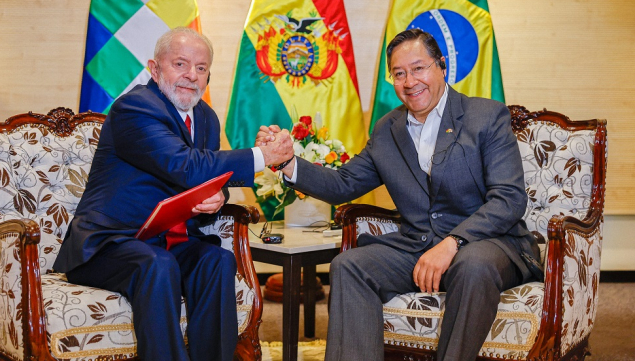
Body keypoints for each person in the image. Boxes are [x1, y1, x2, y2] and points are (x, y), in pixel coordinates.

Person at [257, 28, 540, 361]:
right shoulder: (387, 129)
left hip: (489, 245)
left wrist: (453, 243)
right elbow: (344, 184)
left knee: (472, 265)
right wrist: (288, 162)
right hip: (419, 245)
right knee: (349, 266)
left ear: (441, 66)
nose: (409, 81)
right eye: (399, 74)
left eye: (418, 68)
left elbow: (508, 199)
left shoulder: (485, 116)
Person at [54, 27, 293, 361]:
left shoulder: (206, 118)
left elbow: (207, 176)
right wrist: (262, 157)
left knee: (218, 260)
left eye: (200, 68)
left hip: (164, 242)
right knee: (158, 265)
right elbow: (185, 166)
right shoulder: (135, 108)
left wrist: (218, 196)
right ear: (155, 69)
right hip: (108, 244)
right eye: (180, 64)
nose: (190, 76)